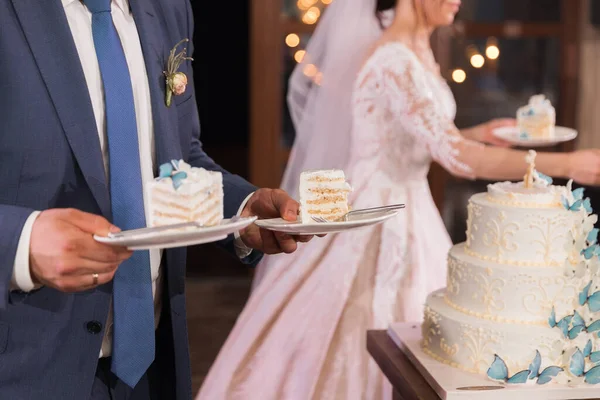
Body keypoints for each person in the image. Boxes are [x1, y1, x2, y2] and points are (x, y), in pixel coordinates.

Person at [198, 0, 600, 399]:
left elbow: (415, 134)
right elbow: (457, 157)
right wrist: (569, 163)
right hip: (375, 210)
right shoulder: (392, 57)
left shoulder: (417, 47)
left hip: (411, 202)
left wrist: (477, 132)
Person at [0, 0, 312, 399]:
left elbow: (180, 158)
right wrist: (22, 244)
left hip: (151, 366)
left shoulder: (169, 8)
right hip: (26, 365)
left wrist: (241, 207)